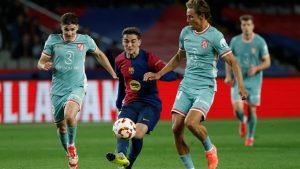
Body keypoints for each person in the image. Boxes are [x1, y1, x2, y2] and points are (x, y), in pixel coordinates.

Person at [143, 0, 248, 168]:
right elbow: (179, 57)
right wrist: (159, 74)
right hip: (186, 85)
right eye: (186, 16)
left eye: (191, 17)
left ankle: (210, 148)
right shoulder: (186, 32)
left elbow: (233, 62)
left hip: (205, 87)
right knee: (176, 128)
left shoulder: (215, 36)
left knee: (191, 122)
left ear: (202, 16)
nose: (187, 20)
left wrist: (241, 86)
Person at [37, 12, 118, 169]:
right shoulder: (53, 40)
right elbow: (41, 62)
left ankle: (72, 145)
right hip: (58, 89)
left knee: (69, 115)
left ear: (77, 28)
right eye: (66, 29)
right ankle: (69, 153)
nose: (69, 33)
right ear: (61, 28)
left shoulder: (85, 40)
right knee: (61, 127)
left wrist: (112, 72)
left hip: (77, 85)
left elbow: (100, 55)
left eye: (72, 29)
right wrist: (43, 65)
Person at [106, 27, 177, 169]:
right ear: (122, 42)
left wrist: (155, 74)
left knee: (137, 135)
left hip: (150, 104)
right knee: (122, 127)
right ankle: (121, 156)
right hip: (131, 103)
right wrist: (118, 102)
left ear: (139, 42)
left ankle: (129, 163)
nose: (129, 45)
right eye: (126, 41)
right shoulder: (119, 60)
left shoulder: (149, 58)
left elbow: (172, 75)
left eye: (133, 41)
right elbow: (122, 83)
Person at [224, 14, 271, 146]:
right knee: (238, 108)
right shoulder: (235, 41)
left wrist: (256, 68)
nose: (246, 27)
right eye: (244, 25)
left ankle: (250, 137)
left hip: (254, 81)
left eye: (248, 24)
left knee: (252, 110)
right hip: (239, 80)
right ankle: (242, 120)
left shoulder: (260, 42)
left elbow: (267, 62)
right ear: (241, 26)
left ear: (253, 26)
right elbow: (229, 60)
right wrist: (228, 76)